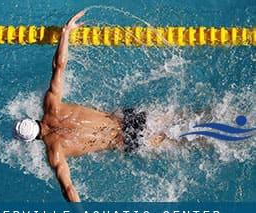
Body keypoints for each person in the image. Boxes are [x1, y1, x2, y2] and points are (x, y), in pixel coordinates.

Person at [14, 11, 166, 202]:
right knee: (182, 118)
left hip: (127, 140)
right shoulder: (51, 105)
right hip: (128, 118)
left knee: (184, 141)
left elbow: (68, 189)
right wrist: (65, 33)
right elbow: (59, 66)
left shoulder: (55, 152)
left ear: (32, 140)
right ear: (32, 119)